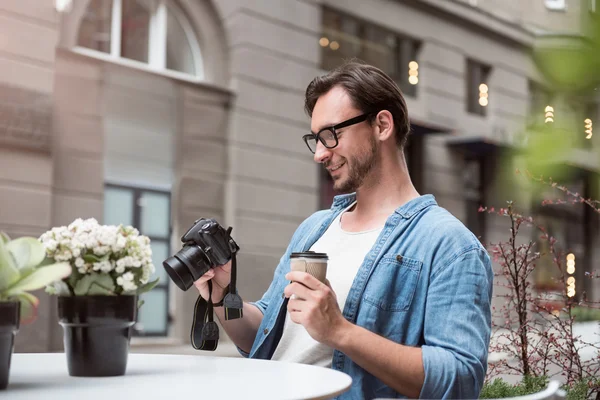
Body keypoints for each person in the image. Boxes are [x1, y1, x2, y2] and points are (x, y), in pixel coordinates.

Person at [194, 61, 493, 399]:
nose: (320, 154)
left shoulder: (449, 245)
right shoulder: (315, 228)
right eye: (315, 139)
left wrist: (339, 331)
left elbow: (460, 380)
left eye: (330, 135)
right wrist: (222, 296)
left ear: (381, 125)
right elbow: (260, 334)